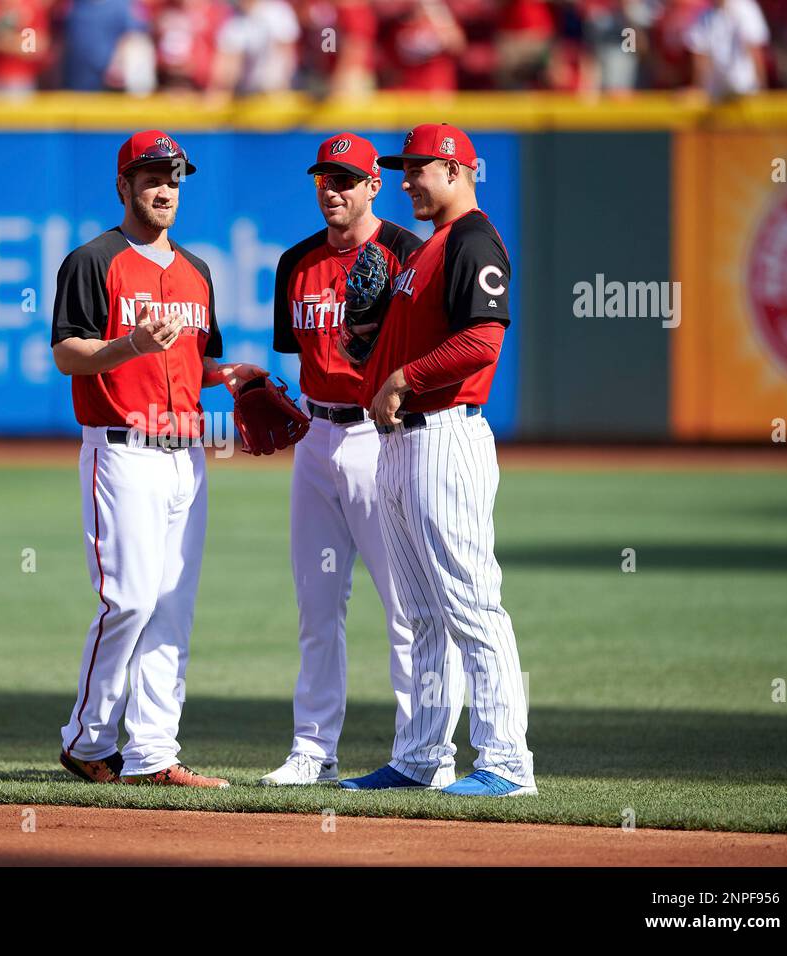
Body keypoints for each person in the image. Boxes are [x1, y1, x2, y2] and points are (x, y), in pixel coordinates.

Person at [51, 130, 266, 788]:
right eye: (150, 176)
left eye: (173, 176)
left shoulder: (198, 270)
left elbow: (191, 360)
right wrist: (129, 345)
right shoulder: (93, 261)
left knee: (172, 606)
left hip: (186, 457)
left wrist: (227, 373)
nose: (164, 187)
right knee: (130, 600)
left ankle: (151, 754)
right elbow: (67, 353)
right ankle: (86, 738)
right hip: (121, 450)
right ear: (123, 186)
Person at [344, 123, 536, 796]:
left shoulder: (472, 239)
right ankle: (421, 756)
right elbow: (385, 352)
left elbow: (483, 338)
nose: (404, 180)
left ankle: (507, 764)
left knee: (472, 605)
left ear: (454, 170)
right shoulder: (428, 249)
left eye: (416, 168)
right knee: (421, 613)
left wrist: (403, 380)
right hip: (403, 446)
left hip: (446, 439)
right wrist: (371, 345)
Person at [260, 133, 420, 787]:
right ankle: (312, 749)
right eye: (326, 178)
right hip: (317, 442)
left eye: (348, 179)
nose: (335, 189)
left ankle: (422, 752)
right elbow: (298, 360)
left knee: (406, 605)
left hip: (380, 439)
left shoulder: (407, 255)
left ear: (375, 185)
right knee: (317, 604)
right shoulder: (294, 262)